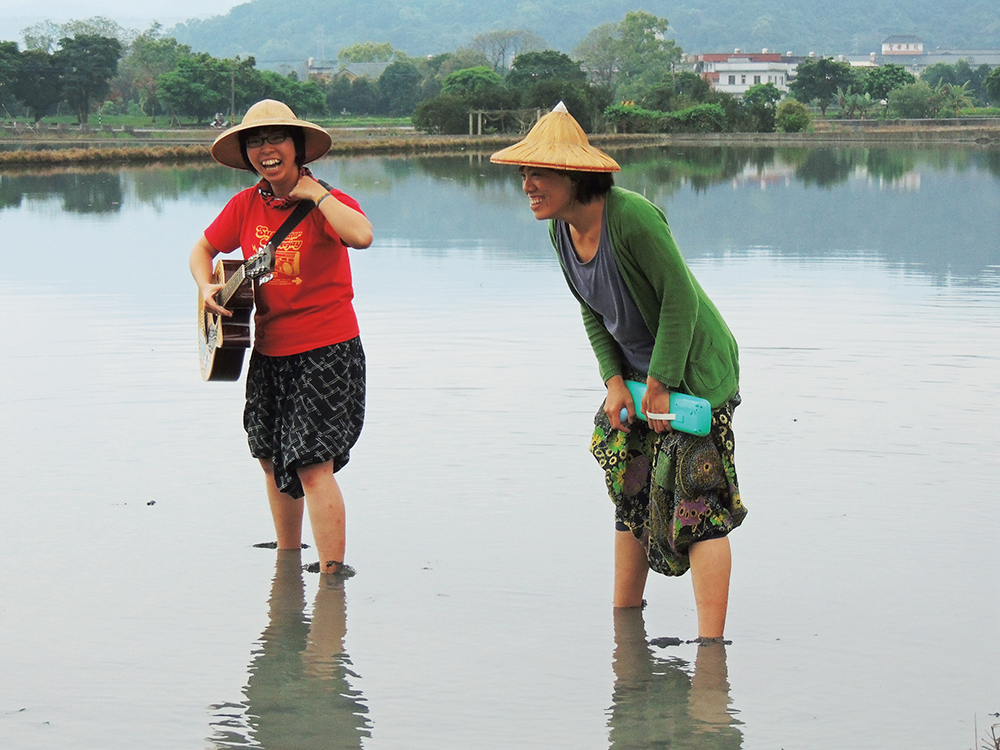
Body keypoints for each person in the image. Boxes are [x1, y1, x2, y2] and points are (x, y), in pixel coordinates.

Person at [491, 103, 747, 638]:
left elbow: (680, 301)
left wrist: (661, 383)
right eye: (524, 173)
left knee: (699, 502)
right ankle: (624, 626)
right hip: (635, 375)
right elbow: (591, 307)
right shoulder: (560, 231)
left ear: (576, 175)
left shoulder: (632, 217)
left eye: (538, 173)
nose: (527, 185)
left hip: (692, 375)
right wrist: (613, 382)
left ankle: (711, 648)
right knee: (630, 490)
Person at [190, 99, 373, 576]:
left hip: (326, 349)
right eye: (255, 141)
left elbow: (363, 236)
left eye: (275, 140)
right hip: (270, 351)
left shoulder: (326, 200)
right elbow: (203, 249)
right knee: (270, 456)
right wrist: (206, 284)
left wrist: (316, 196)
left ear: (296, 147)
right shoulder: (245, 205)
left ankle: (333, 576)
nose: (266, 150)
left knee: (313, 464)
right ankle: (288, 558)